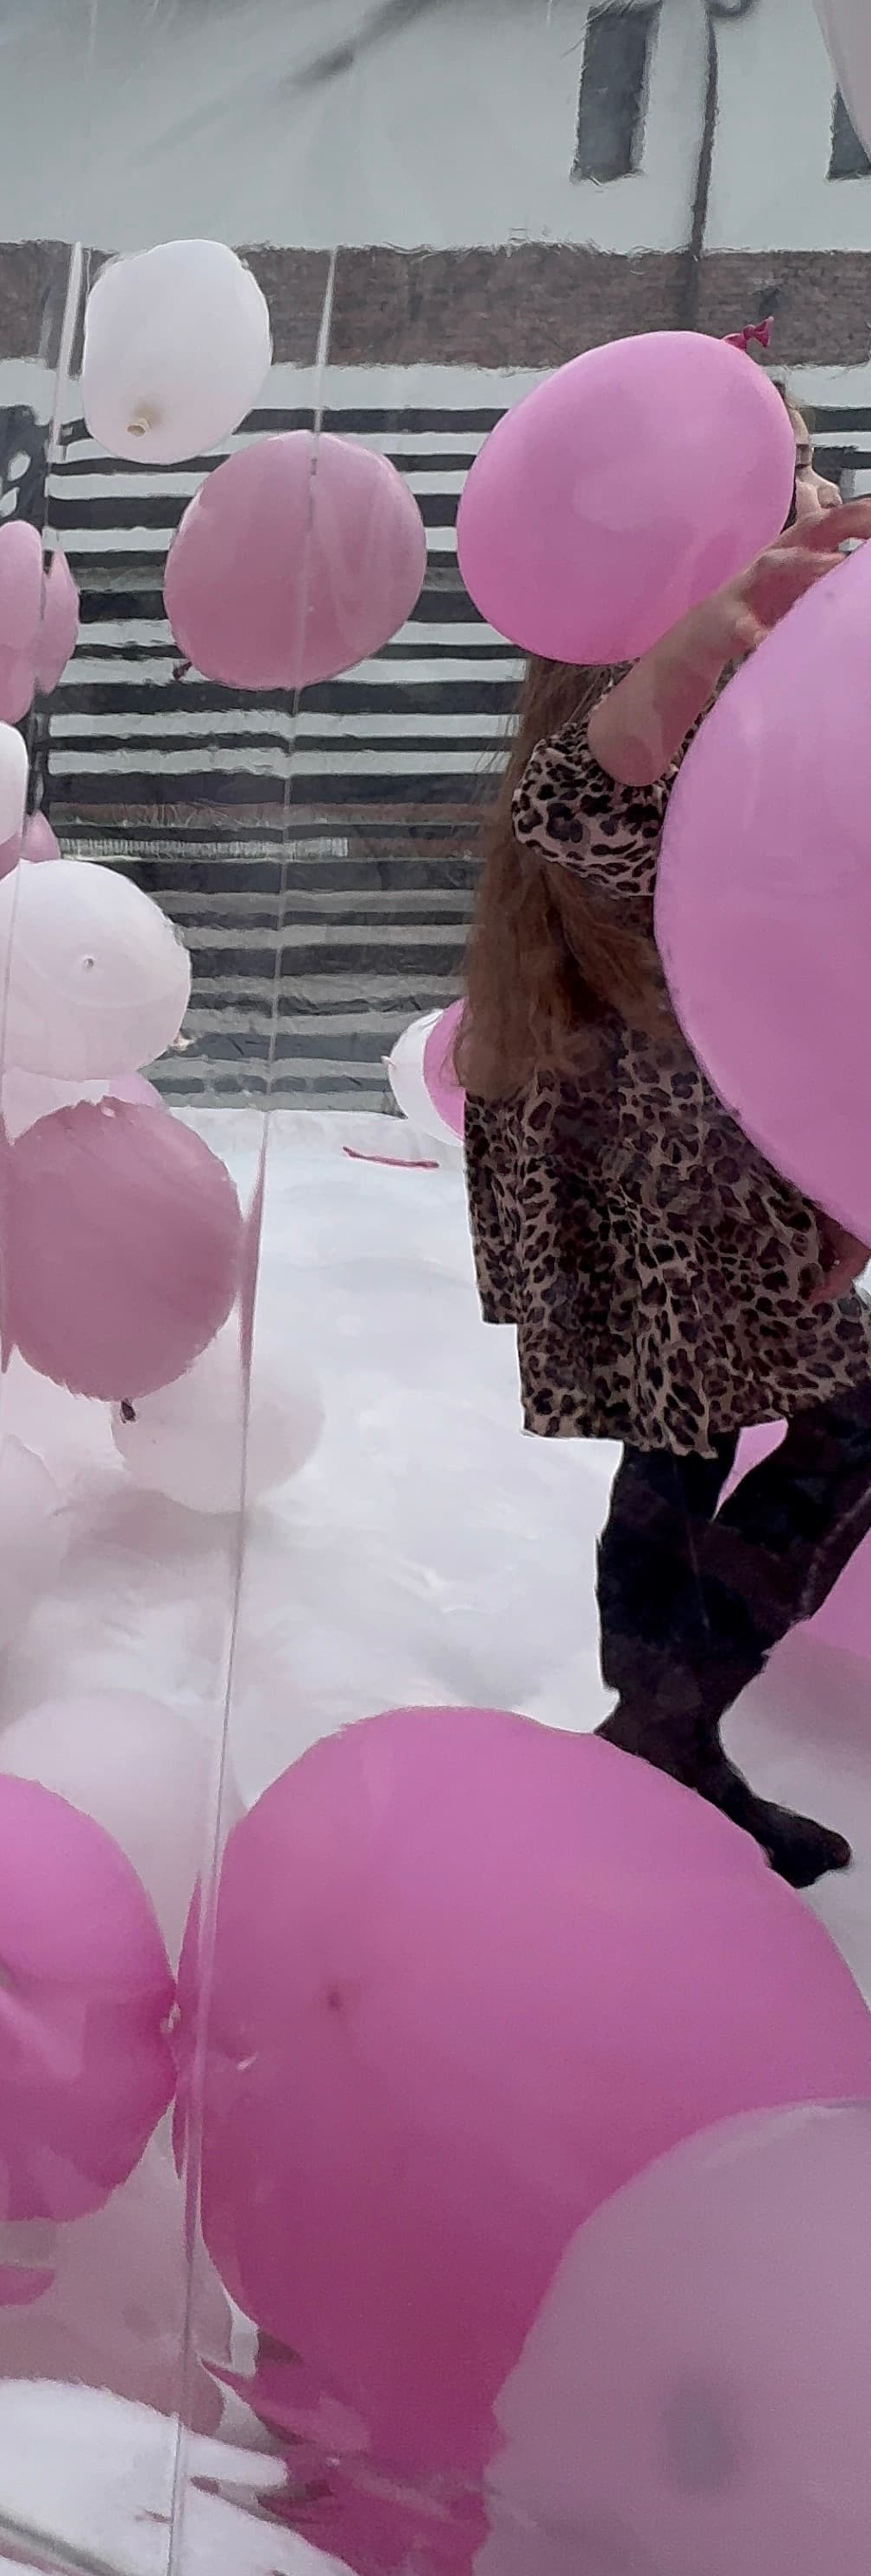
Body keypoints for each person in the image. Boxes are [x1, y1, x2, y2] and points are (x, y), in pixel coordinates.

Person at [458, 405, 871, 1886]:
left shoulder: (726, 666)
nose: (808, 493)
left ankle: (666, 1737)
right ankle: (668, 1731)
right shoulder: (639, 690)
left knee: (696, 1443)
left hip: (692, 1129)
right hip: (630, 1140)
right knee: (785, 1426)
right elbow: (580, 807)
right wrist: (700, 647)